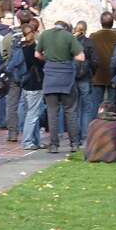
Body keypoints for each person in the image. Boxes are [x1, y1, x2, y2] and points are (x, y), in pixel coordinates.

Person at [36, 20, 84, 153]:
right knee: (70, 111)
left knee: (52, 113)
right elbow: (81, 57)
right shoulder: (69, 36)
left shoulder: (45, 35)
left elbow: (37, 54)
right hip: (67, 78)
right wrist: (68, 58)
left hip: (50, 78)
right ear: (66, 28)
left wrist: (48, 59)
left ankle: (54, 145)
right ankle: (74, 144)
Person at [89, 12, 116, 109]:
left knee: (96, 105)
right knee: (111, 106)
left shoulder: (93, 36)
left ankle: (96, 119)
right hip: (113, 74)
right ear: (112, 23)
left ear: (101, 22)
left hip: (97, 74)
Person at [73, 21, 98, 144]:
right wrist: (91, 72)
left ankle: (75, 136)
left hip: (73, 77)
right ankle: (85, 135)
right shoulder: (89, 42)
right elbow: (95, 61)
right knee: (87, 107)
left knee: (75, 108)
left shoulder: (71, 42)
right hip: (85, 77)